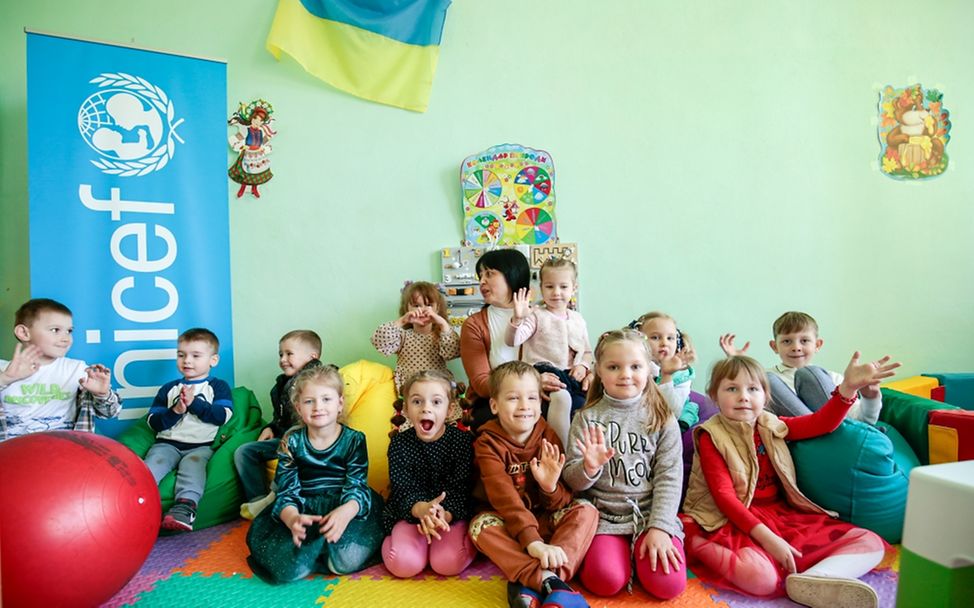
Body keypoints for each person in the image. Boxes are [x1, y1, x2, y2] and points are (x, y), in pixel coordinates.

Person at [681, 354, 899, 607]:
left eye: (753, 389)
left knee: (870, 542)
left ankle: (816, 578)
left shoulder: (771, 424)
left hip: (780, 515)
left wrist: (847, 389)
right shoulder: (711, 435)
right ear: (714, 395)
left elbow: (822, 423)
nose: (744, 396)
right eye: (732, 388)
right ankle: (696, 544)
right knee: (760, 579)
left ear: (765, 396)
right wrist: (769, 540)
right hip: (731, 519)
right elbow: (725, 498)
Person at [562, 329, 687, 599]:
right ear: (599, 371)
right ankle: (621, 557)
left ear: (649, 369)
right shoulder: (585, 418)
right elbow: (572, 481)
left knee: (668, 586)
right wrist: (589, 468)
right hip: (604, 518)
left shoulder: (662, 418)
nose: (625, 374)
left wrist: (660, 527)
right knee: (603, 581)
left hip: (649, 516)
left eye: (635, 366)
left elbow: (670, 477)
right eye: (614, 367)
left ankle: (638, 554)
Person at [469, 361, 598, 608]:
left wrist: (549, 487)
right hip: (507, 523)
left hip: (545, 519)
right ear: (494, 405)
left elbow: (564, 500)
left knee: (586, 510)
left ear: (541, 404)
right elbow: (504, 498)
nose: (524, 406)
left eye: (531, 398)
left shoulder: (548, 436)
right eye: (513, 398)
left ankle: (536, 580)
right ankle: (551, 582)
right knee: (479, 527)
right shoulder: (487, 445)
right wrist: (534, 543)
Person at [246, 365, 384, 583]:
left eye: (326, 399)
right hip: (303, 507)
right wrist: (291, 518)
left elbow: (356, 485)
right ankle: (312, 553)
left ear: (339, 404)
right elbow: (287, 490)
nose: (318, 407)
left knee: (344, 561)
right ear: (299, 408)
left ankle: (327, 553)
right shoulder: (292, 441)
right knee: (289, 569)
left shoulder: (354, 440)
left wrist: (346, 512)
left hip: (345, 505)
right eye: (309, 401)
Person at [381, 370, 476, 578]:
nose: (426, 408)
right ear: (405, 409)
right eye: (417, 402)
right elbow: (402, 489)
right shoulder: (399, 444)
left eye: (435, 402)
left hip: (449, 515)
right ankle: (399, 543)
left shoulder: (461, 443)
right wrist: (422, 509)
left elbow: (462, 488)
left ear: (450, 410)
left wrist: (443, 514)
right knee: (404, 564)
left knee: (448, 564)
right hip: (411, 513)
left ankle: (449, 542)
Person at [719, 311, 884, 422]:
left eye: (804, 341)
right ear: (774, 346)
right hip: (799, 444)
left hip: (840, 436)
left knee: (810, 374)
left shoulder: (832, 378)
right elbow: (754, 416)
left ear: (818, 344)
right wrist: (741, 366)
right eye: (786, 341)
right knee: (765, 380)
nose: (796, 347)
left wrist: (871, 397)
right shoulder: (765, 378)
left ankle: (831, 435)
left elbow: (861, 420)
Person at [144, 328, 233, 532]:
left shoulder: (218, 387)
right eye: (181, 355)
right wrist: (176, 410)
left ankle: (185, 508)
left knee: (193, 468)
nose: (187, 361)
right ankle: (135, 502)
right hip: (166, 443)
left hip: (200, 447)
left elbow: (221, 416)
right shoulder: (169, 388)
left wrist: (194, 404)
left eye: (196, 356)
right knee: (152, 466)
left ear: (213, 360)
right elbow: (153, 422)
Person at [0, 298, 120, 441]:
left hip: (66, 453)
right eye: (55, 330)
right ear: (24, 333)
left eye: (69, 331)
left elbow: (110, 413)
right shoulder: (3, 369)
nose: (66, 338)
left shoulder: (77, 369)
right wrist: (6, 379)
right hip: (13, 455)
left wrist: (102, 394)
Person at [506, 257, 593, 448]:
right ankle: (560, 450)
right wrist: (517, 319)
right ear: (541, 288)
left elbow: (586, 351)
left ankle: (580, 451)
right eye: (550, 286)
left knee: (581, 405)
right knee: (561, 398)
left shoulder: (578, 319)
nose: (556, 293)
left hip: (572, 374)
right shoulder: (536, 315)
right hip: (544, 370)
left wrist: (583, 365)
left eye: (563, 287)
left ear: (574, 288)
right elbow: (513, 340)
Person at [235, 330, 323, 519]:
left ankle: (276, 500)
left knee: (291, 451)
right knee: (244, 452)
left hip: (307, 440)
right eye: (281, 354)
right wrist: (270, 427)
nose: (283, 359)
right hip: (284, 438)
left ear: (312, 357)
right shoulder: (280, 386)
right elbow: (280, 418)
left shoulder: (317, 380)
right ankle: (258, 502)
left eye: (289, 354)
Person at [460, 248, 534, 430]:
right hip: (490, 401)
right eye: (480, 275)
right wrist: (534, 384)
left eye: (490, 273)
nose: (482, 281)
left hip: (536, 397)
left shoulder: (540, 317)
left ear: (512, 275)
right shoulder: (474, 324)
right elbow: (481, 384)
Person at [372, 282, 462, 430]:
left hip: (437, 392)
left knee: (441, 427)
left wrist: (442, 323)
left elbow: (453, 350)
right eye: (416, 305)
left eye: (428, 305)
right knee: (412, 428)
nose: (421, 310)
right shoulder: (403, 336)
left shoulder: (440, 336)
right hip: (412, 393)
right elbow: (380, 341)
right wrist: (402, 321)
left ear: (437, 308)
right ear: (407, 308)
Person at [631, 311, 699, 431]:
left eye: (670, 338)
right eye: (655, 337)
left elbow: (671, 413)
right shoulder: (631, 366)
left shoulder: (682, 375)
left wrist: (666, 375)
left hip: (665, 422)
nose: (664, 343)